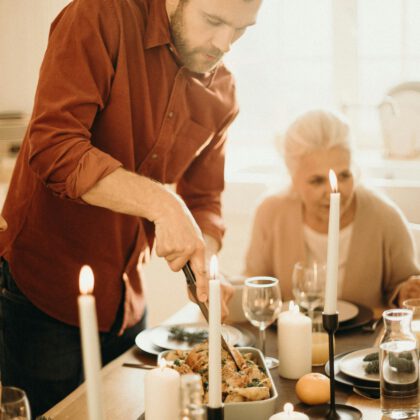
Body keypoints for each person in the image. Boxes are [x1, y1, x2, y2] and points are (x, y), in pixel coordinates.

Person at [0, 0, 263, 416]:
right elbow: (54, 148)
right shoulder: (98, 17)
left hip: (126, 300)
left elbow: (204, 200)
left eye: (242, 29)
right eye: (213, 21)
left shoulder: (223, 91)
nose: (225, 44)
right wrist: (163, 203)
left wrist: (206, 265)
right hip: (43, 289)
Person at [244, 109, 420, 309]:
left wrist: (406, 292)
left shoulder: (385, 216)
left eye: (344, 176)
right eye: (317, 181)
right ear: (293, 177)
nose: (332, 192)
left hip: (365, 340)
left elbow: (406, 291)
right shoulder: (270, 212)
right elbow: (253, 285)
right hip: (289, 340)